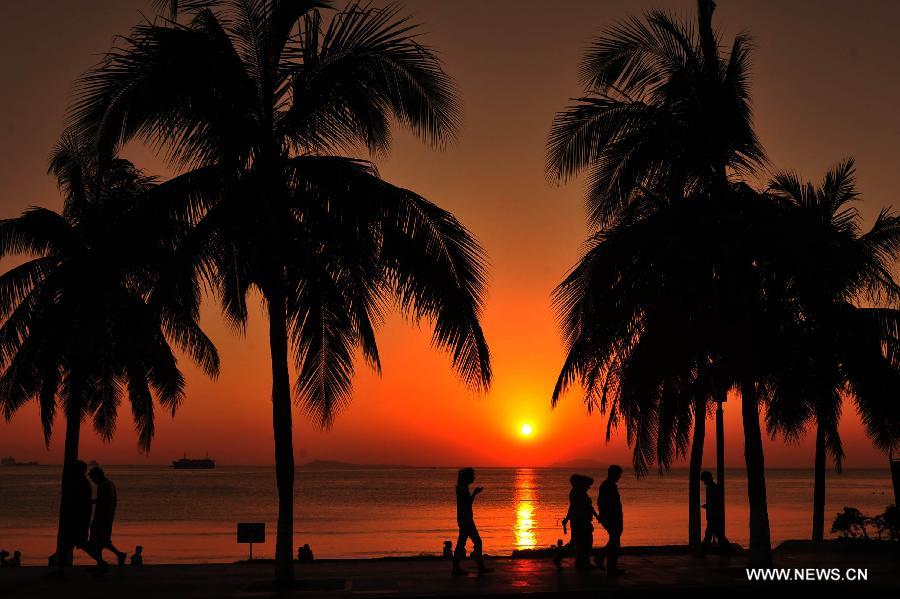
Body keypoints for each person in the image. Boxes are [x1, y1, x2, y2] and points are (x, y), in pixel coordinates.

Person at [47, 460, 93, 578]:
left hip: (77, 519)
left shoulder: (81, 484)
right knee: (71, 544)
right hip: (77, 519)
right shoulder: (81, 483)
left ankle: (60, 570)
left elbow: (81, 503)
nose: (73, 471)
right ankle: (60, 569)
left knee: (72, 544)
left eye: (75, 469)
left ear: (80, 470)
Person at [452, 467, 493, 576]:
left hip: (465, 519)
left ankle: (457, 567)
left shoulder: (462, 487)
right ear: (467, 477)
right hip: (466, 520)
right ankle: (479, 567)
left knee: (462, 543)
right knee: (476, 542)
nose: (474, 478)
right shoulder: (462, 489)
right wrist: (475, 493)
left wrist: (474, 493)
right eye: (472, 476)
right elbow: (467, 503)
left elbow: (465, 503)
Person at [554, 474, 600, 570]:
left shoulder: (577, 492)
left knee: (578, 542)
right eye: (587, 486)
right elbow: (584, 507)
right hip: (581, 521)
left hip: (578, 521)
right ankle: (583, 562)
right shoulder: (578, 493)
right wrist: (596, 516)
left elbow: (573, 508)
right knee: (585, 542)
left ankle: (579, 562)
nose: (588, 487)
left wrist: (567, 519)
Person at [86, 467, 126, 571]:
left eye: (93, 478)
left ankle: (103, 562)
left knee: (97, 541)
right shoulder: (110, 484)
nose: (93, 481)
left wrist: (88, 501)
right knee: (102, 541)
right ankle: (105, 561)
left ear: (97, 476)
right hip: (108, 516)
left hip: (102, 517)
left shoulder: (102, 486)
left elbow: (101, 503)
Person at [595, 465, 625, 575]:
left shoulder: (609, 485)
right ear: (614, 474)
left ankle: (611, 566)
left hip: (613, 517)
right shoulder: (608, 486)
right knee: (614, 542)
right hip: (612, 518)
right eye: (618, 474)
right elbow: (604, 503)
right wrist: (605, 516)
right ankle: (605, 562)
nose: (619, 477)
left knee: (614, 541)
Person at [700, 471, 730, 551]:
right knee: (718, 535)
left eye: (705, 480)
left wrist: (709, 506)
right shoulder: (710, 488)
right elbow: (713, 502)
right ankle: (728, 549)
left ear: (709, 478)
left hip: (714, 516)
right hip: (712, 516)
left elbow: (716, 502)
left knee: (710, 534)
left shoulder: (714, 488)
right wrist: (708, 506)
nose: (704, 483)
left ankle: (703, 551)